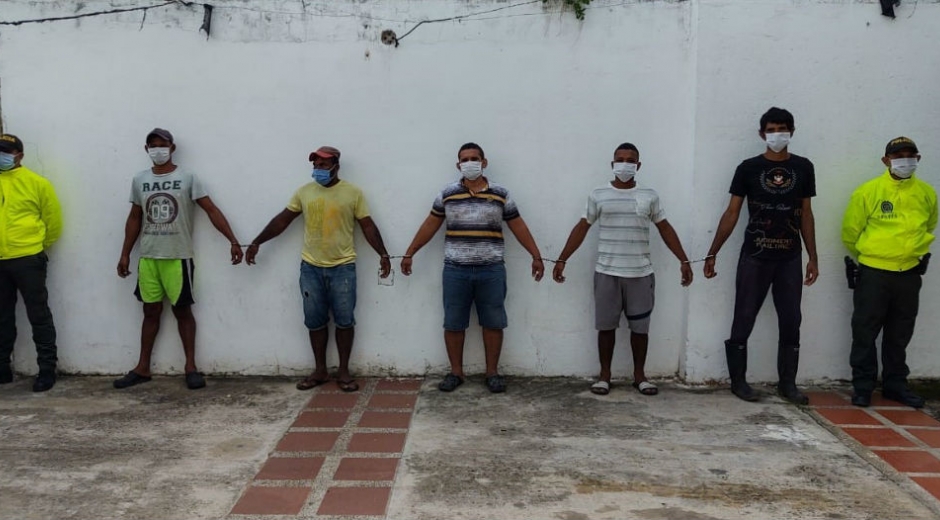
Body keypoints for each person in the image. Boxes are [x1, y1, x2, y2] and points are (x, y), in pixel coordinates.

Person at [401, 142, 544, 394]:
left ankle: (492, 373)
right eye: (464, 159)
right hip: (456, 270)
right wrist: (410, 252)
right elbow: (430, 225)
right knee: (454, 323)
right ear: (458, 165)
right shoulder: (447, 194)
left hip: (491, 270)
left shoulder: (501, 194)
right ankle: (456, 372)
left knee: (493, 322)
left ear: (484, 162)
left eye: (474, 158)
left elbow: (518, 225)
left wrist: (536, 255)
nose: (470, 163)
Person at [246, 146, 390, 393]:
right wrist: (257, 241)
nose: (319, 169)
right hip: (310, 267)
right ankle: (320, 370)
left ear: (336, 166)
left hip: (343, 267)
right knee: (315, 321)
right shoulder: (304, 192)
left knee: (345, 320)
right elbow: (283, 220)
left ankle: (343, 371)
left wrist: (383, 254)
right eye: (316, 165)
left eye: (324, 165)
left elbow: (367, 225)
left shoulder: (353, 193)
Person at [553, 143, 693, 396]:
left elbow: (665, 228)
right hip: (607, 272)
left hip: (640, 274)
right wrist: (562, 259)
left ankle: (639, 376)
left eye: (630, 160)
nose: (625, 164)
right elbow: (582, 227)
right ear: (612, 164)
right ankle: (604, 376)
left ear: (638, 166)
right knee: (605, 327)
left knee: (640, 330)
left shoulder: (649, 195)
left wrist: (683, 260)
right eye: (620, 159)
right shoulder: (598, 194)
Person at [703, 107, 818, 404]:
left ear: (792, 131)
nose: (776, 134)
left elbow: (806, 214)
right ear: (761, 133)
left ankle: (787, 384)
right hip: (755, 255)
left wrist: (812, 257)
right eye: (771, 129)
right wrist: (712, 251)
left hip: (789, 258)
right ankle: (738, 381)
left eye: (782, 128)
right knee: (744, 316)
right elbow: (732, 212)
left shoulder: (804, 168)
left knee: (792, 319)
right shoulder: (748, 168)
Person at [115, 128, 243, 390]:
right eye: (153, 145)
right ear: (146, 149)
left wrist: (232, 240)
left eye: (163, 145)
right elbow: (135, 217)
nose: (158, 150)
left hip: (177, 256)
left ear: (172, 148)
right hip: (149, 257)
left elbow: (210, 209)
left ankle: (191, 367)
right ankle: (142, 367)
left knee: (182, 310)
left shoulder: (188, 178)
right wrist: (126, 252)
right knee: (149, 311)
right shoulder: (139, 180)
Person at [841, 137, 936, 408]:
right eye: (898, 156)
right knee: (865, 332)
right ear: (886, 161)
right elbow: (850, 232)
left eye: (910, 155)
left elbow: (930, 225)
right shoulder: (868, 192)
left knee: (900, 332)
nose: (904, 160)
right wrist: (872, 256)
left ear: (918, 159)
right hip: (874, 273)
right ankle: (863, 387)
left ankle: (895, 385)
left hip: (908, 274)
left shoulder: (927, 193)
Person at [0, 134, 63, 392]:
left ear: (20, 155)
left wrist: (37, 247)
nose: (3, 156)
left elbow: (53, 222)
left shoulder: (37, 183)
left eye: (7, 151)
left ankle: (47, 369)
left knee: (38, 315)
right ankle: (2, 368)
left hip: (28, 259)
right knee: (2, 317)